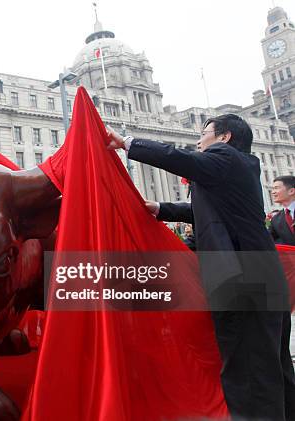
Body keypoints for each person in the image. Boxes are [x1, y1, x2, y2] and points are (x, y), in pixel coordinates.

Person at [107, 114, 295, 420]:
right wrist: (162, 209)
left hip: (241, 278)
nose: (198, 140)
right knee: (271, 364)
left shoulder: (225, 157)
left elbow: (179, 158)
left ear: (224, 138)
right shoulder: (238, 168)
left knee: (247, 370)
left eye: (204, 133)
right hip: (260, 274)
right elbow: (209, 212)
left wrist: (127, 144)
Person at [269, 175, 295, 246]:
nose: (273, 192)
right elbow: (268, 240)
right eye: (272, 189)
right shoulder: (275, 219)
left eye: (276, 188)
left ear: (291, 191)